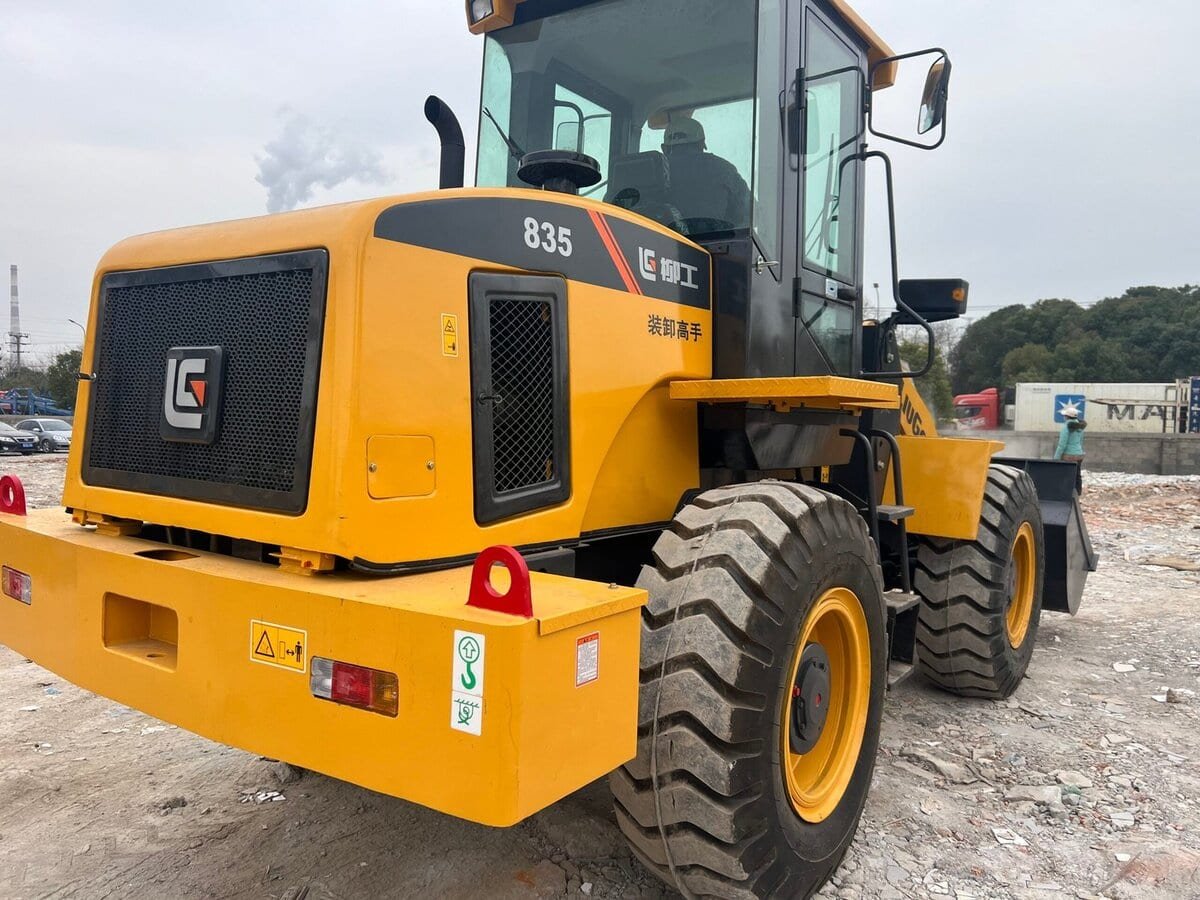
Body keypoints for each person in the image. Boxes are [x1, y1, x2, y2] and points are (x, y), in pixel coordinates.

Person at [661, 117, 751, 228]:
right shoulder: (723, 169)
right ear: (701, 144)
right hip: (717, 244)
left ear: (664, 149)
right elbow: (751, 214)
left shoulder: (652, 173)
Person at [1054, 407, 1087, 491]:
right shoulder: (1080, 427)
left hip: (1068, 456)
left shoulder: (1066, 427)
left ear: (1067, 417)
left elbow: (1062, 444)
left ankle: (1066, 492)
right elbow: (1080, 441)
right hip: (1079, 455)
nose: (1064, 417)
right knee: (1077, 474)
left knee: (1066, 475)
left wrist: (1056, 458)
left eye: (1064, 416)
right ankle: (1077, 492)